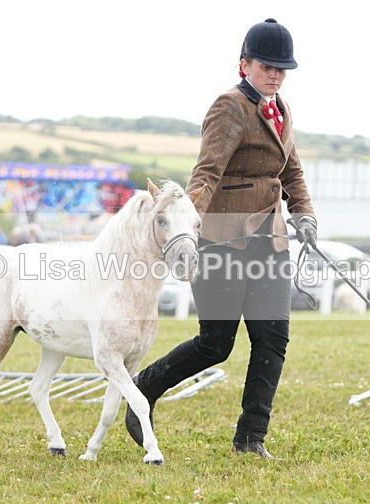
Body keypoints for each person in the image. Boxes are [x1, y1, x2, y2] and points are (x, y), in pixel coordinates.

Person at [124, 18, 317, 459]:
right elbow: (206, 173)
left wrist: (304, 214)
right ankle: (142, 390)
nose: (276, 74)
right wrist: (185, 230)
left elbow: (292, 171)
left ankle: (251, 438)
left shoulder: (280, 109)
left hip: (270, 241)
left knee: (273, 337)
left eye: (282, 68)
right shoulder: (229, 107)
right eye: (268, 66)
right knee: (217, 343)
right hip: (221, 241)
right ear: (244, 64)